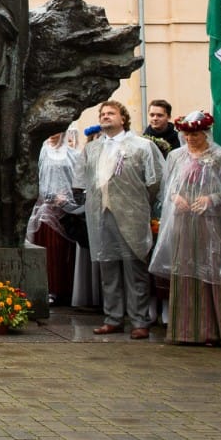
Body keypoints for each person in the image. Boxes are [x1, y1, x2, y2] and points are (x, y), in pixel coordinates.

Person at [72, 100, 165, 340]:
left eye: (111, 113)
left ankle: (139, 320)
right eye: (102, 113)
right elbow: (82, 180)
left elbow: (155, 181)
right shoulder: (92, 149)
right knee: (108, 268)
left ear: (123, 118)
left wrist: (138, 204)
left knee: (135, 269)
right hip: (101, 215)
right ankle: (112, 318)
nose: (105, 116)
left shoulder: (142, 146)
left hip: (132, 215)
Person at [149, 111, 221, 347]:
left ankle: (219, 331)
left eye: (196, 134)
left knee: (213, 270)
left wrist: (211, 199)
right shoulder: (176, 156)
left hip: (212, 223)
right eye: (187, 134)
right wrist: (175, 197)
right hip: (183, 221)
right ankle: (187, 331)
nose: (190, 139)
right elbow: (168, 187)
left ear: (206, 133)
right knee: (185, 269)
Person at [26, 131, 85, 305]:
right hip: (46, 210)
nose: (53, 135)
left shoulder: (73, 154)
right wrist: (49, 196)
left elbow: (78, 179)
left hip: (67, 210)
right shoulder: (41, 153)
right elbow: (35, 177)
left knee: (63, 251)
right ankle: (48, 288)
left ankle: (64, 289)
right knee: (48, 249)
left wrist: (69, 199)